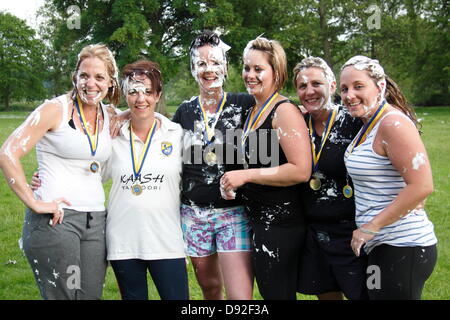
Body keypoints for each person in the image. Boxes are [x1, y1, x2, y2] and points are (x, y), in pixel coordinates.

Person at [0, 44, 120, 300]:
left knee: (89, 296)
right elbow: (8, 152)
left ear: (111, 82)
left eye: (99, 77)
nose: (90, 83)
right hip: (57, 219)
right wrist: (34, 202)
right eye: (84, 75)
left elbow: (143, 117)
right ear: (75, 76)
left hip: (96, 220)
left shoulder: (110, 115)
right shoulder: (55, 109)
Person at [220, 37, 312, 300]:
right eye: (247, 68)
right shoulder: (251, 110)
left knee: (277, 294)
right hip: (256, 220)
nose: (250, 75)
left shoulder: (283, 111)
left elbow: (300, 170)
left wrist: (246, 175)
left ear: (277, 72)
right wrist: (231, 181)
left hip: (280, 224)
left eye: (258, 69)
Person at [340, 55, 438, 300]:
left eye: (358, 86)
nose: (349, 94)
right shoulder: (368, 123)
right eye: (344, 89)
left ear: (380, 86)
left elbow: (422, 185)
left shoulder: (392, 122)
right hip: (383, 245)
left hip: (404, 245)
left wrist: (370, 228)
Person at [171, 31, 255, 300]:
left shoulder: (245, 104)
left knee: (240, 296)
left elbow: (283, 113)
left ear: (226, 67)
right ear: (193, 69)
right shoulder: (184, 111)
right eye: (201, 63)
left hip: (233, 212)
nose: (209, 69)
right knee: (210, 288)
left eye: (215, 62)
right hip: (193, 214)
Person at [102, 60, 188, 300]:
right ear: (125, 96)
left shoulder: (176, 134)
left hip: (167, 240)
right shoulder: (111, 135)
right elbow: (88, 173)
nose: (141, 99)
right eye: (133, 92)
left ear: (158, 94)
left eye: (148, 92)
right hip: (123, 241)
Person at [293, 57, 368, 300]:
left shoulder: (354, 121)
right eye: (302, 86)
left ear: (333, 85)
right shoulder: (296, 124)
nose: (309, 91)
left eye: (316, 83)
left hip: (352, 232)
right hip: (314, 232)